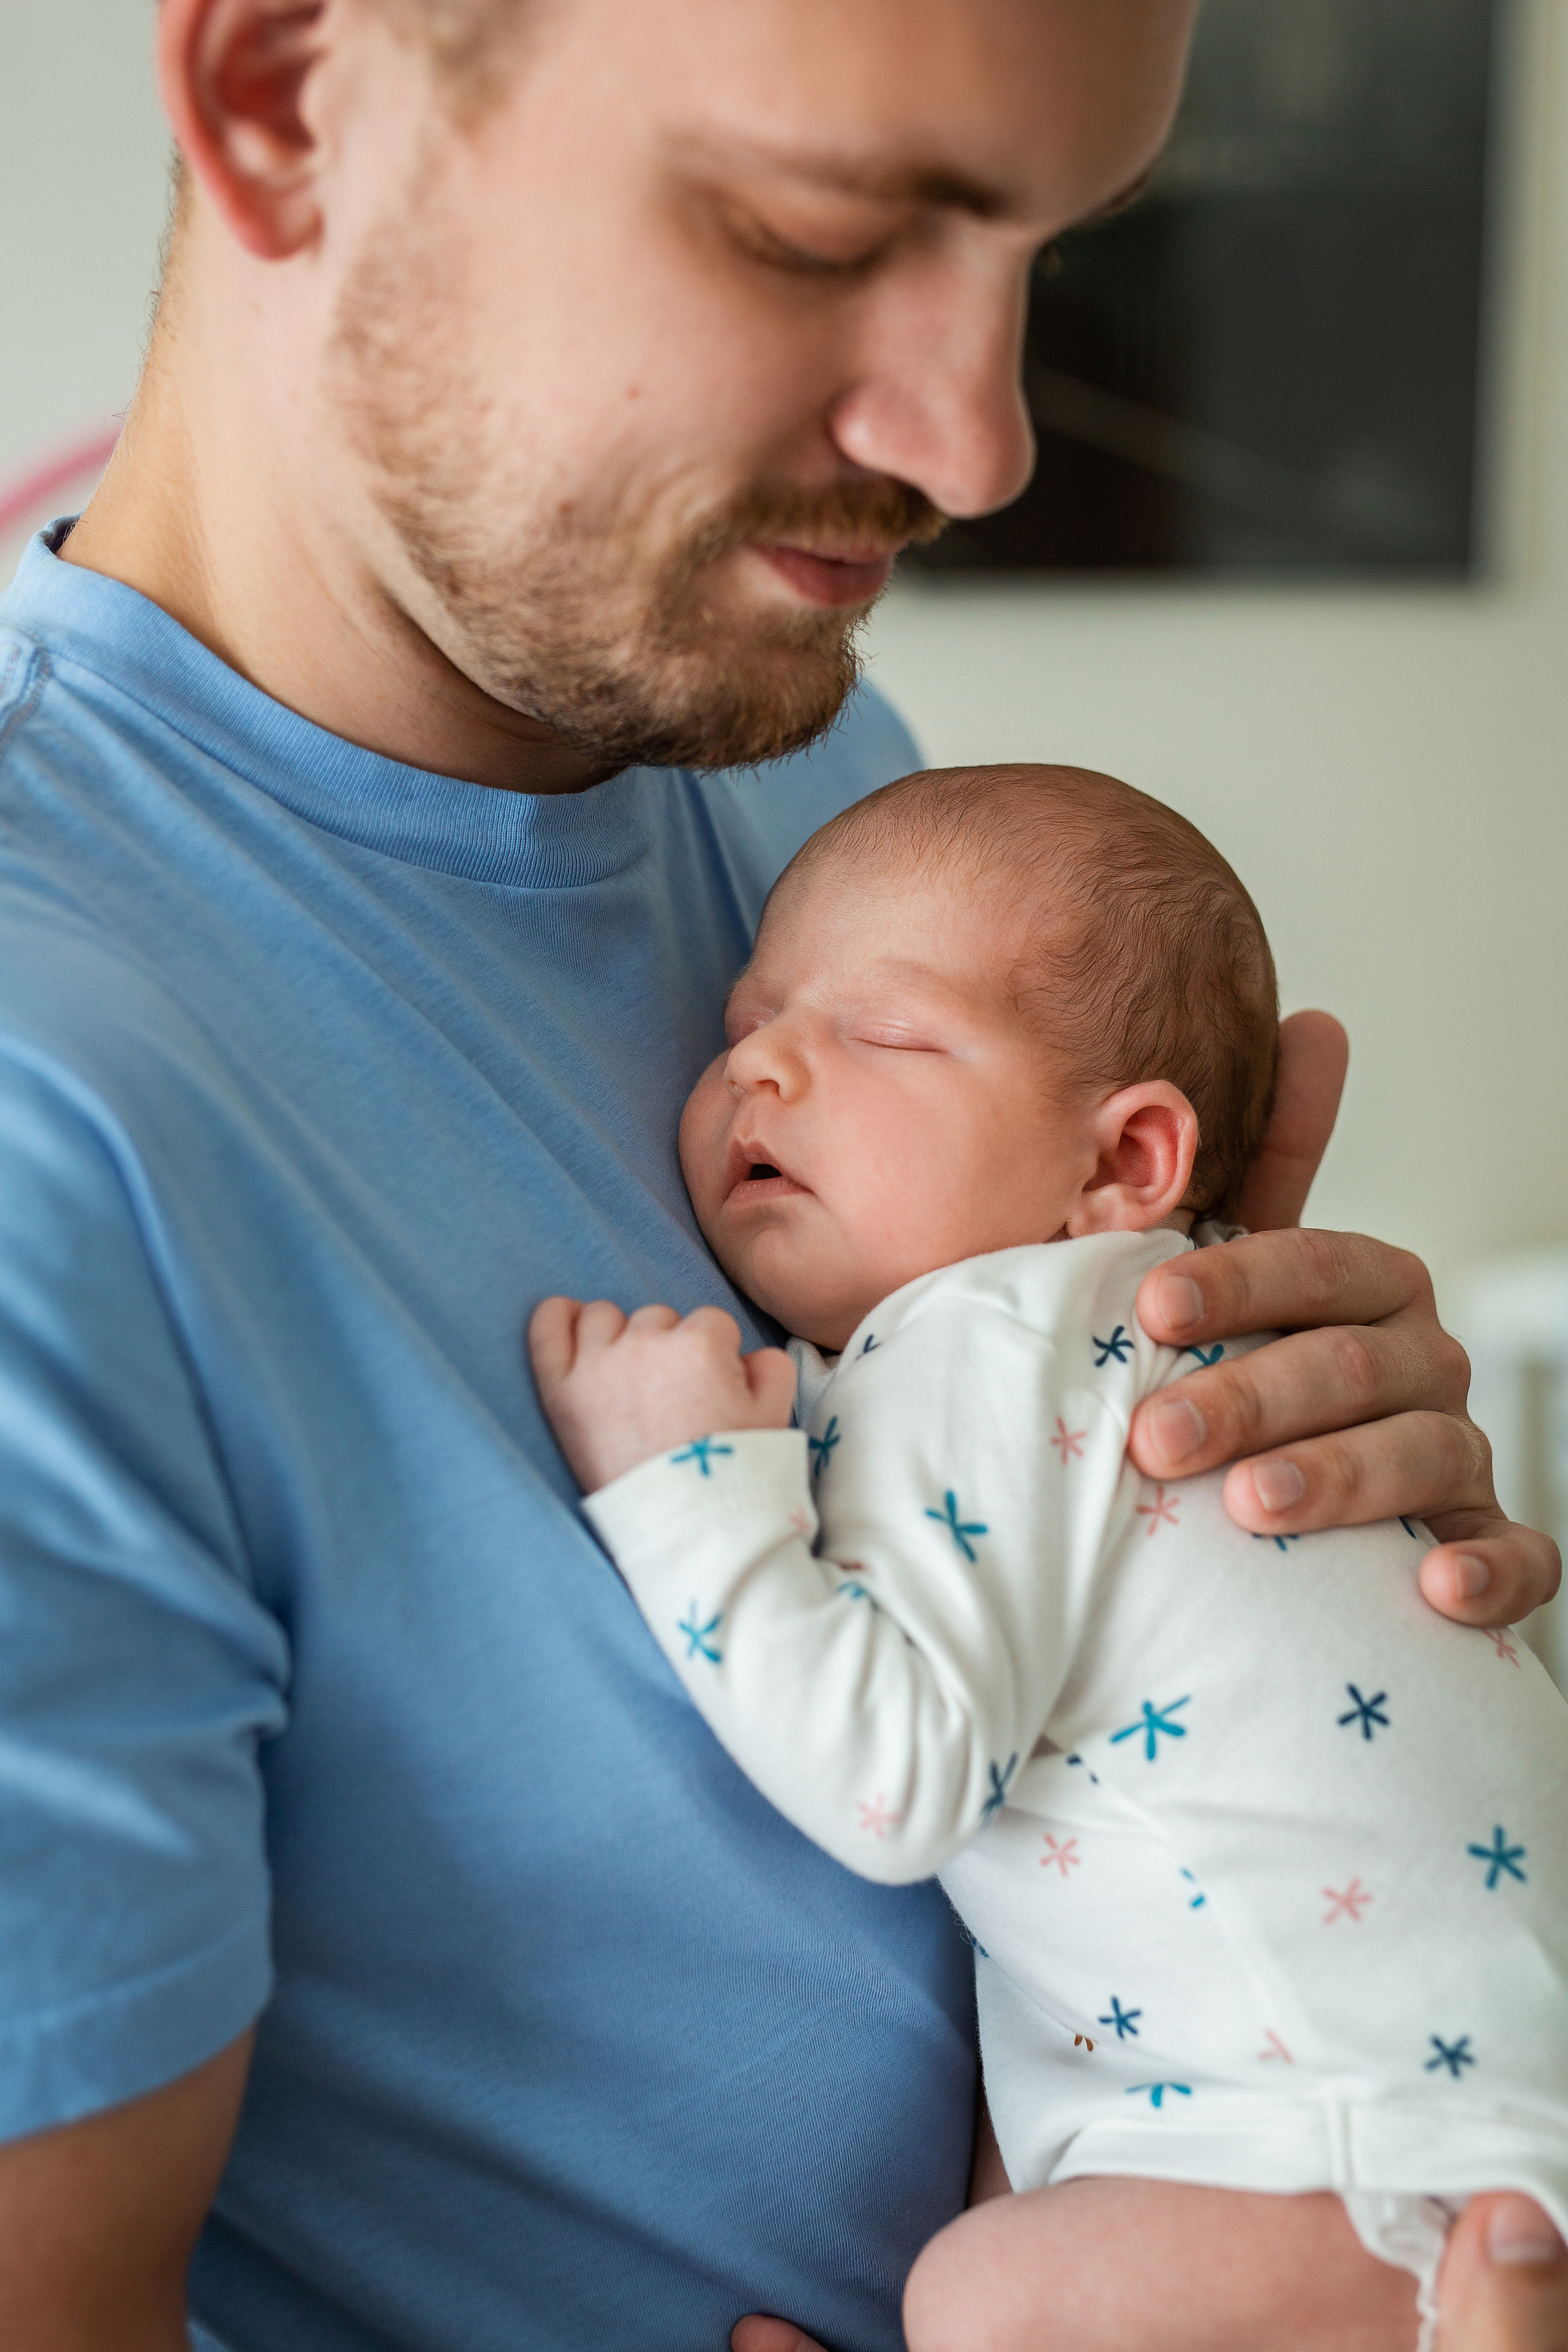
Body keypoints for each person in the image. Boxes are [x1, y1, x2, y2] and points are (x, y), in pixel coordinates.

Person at [0, 3, 1561, 2348]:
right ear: (285, 96)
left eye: (1044, 248)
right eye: (818, 230)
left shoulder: (812, 792)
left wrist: (1278, 1506)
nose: (982, 440)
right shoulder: (49, 1107)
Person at [530, 762, 1568, 2352]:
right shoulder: (1126, 1326)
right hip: (1432, 2121)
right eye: (747, 1023)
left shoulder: (986, 1330)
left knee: (984, 2299)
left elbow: (896, 1783)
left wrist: (684, 1483)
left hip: (1346, 2155)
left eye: (886, 1035)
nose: (760, 1069)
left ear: (1122, 1166)